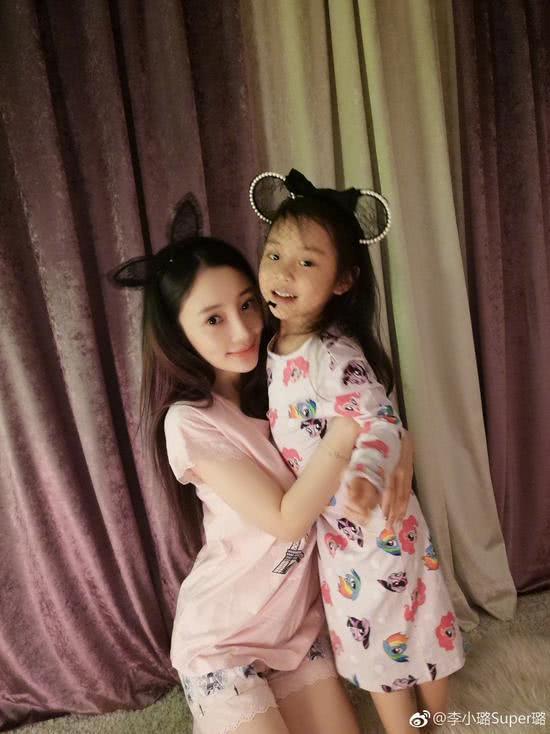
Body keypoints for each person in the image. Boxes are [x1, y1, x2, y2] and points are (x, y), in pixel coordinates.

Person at [111, 196, 413, 734]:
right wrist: (347, 434)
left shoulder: (284, 377)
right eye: (214, 319)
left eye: (247, 304)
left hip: (296, 633)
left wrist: (397, 444)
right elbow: (286, 519)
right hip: (223, 643)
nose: (243, 330)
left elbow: (371, 407)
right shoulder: (189, 422)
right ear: (179, 333)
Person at [250, 169, 466, 734]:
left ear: (343, 280)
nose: (283, 273)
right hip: (341, 531)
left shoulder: (332, 353)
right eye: (274, 255)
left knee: (403, 633)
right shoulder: (275, 346)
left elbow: (380, 420)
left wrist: (369, 472)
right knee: (391, 633)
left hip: (377, 524)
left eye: (307, 262)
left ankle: (427, 722)